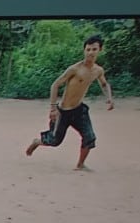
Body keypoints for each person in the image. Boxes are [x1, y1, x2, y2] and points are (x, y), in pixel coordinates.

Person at [26, 35, 114, 170]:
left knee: (89, 137)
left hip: (79, 110)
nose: (90, 52)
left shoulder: (98, 70)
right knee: (54, 141)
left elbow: (103, 84)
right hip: (63, 111)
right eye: (88, 49)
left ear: (100, 50)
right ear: (84, 50)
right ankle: (37, 142)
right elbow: (55, 85)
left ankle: (80, 164)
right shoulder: (75, 69)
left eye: (94, 49)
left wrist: (109, 98)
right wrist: (53, 108)